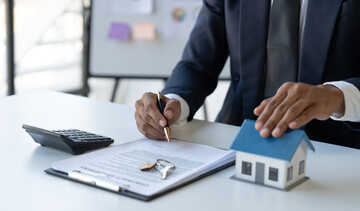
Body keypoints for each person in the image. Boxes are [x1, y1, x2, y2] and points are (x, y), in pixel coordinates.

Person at [135, 0, 360, 149]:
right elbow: (197, 64)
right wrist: (173, 104)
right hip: (236, 140)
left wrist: (337, 96)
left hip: (336, 150)